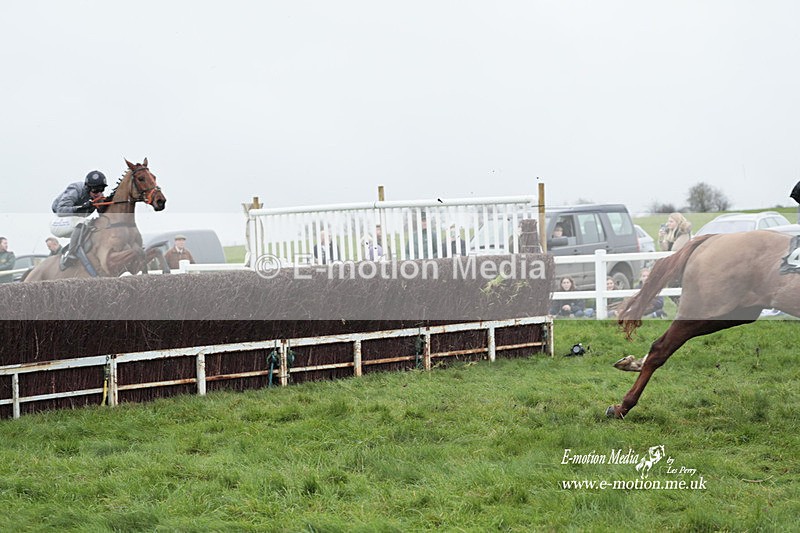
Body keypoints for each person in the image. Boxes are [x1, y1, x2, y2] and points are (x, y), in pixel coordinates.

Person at [50, 170, 108, 265]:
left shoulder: (99, 196)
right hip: (59, 222)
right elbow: (60, 210)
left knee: (94, 224)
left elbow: (103, 213)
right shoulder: (75, 189)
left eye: (101, 190)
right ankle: (70, 254)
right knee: (82, 222)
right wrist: (80, 208)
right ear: (87, 188)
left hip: (75, 222)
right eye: (95, 190)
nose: (98, 193)